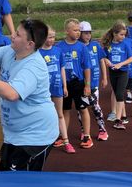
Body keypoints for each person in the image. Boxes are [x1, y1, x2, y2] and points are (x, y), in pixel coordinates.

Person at [0, 19, 59, 171]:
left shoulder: (33, 66)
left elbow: (11, 94)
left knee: (21, 186)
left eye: (18, 34)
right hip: (15, 134)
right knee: (7, 182)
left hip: (35, 137)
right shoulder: (10, 51)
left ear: (30, 44)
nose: (12, 35)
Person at [56, 18, 93, 149]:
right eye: (75, 30)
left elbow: (87, 67)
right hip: (65, 84)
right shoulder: (59, 47)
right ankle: (63, 136)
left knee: (83, 109)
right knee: (65, 110)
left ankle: (87, 136)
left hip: (79, 83)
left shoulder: (82, 47)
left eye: (79, 31)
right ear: (67, 31)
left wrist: (87, 85)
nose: (78, 33)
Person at [39, 26, 75, 154]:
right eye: (49, 37)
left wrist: (65, 86)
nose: (51, 40)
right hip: (43, 90)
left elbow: (62, 69)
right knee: (44, 115)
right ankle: (43, 142)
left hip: (57, 87)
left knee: (59, 114)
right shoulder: (37, 53)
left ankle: (66, 141)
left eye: (53, 37)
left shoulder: (58, 51)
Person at [78, 21, 109, 141]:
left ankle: (102, 129)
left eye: (89, 33)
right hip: (81, 83)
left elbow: (101, 60)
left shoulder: (95, 45)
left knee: (95, 107)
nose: (88, 35)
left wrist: (105, 78)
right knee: (81, 109)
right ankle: (84, 131)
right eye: (85, 33)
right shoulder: (78, 47)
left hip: (94, 82)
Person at [101, 22, 132, 130]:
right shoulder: (109, 45)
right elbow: (104, 56)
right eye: (121, 35)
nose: (123, 37)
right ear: (114, 33)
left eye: (124, 35)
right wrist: (108, 61)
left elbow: (130, 59)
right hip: (113, 72)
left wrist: (120, 64)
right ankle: (123, 116)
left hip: (123, 72)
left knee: (120, 94)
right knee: (116, 92)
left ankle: (118, 120)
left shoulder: (125, 44)